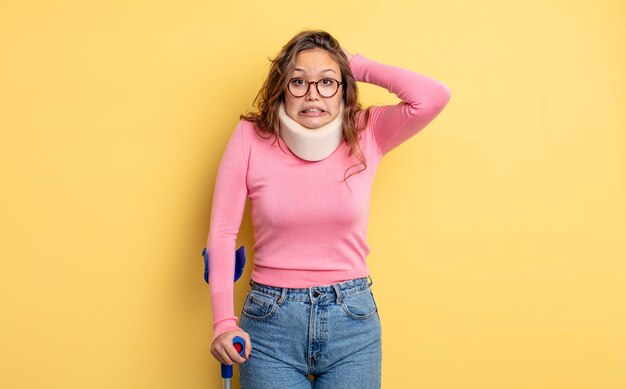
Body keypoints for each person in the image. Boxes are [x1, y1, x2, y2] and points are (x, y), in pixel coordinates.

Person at [206, 30, 451, 388]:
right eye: (298, 82)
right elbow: (223, 233)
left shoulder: (367, 131)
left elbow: (433, 96)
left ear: (343, 88)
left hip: (351, 319)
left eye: (327, 82)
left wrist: (358, 66)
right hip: (271, 320)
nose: (312, 95)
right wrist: (223, 322)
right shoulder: (250, 136)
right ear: (281, 87)